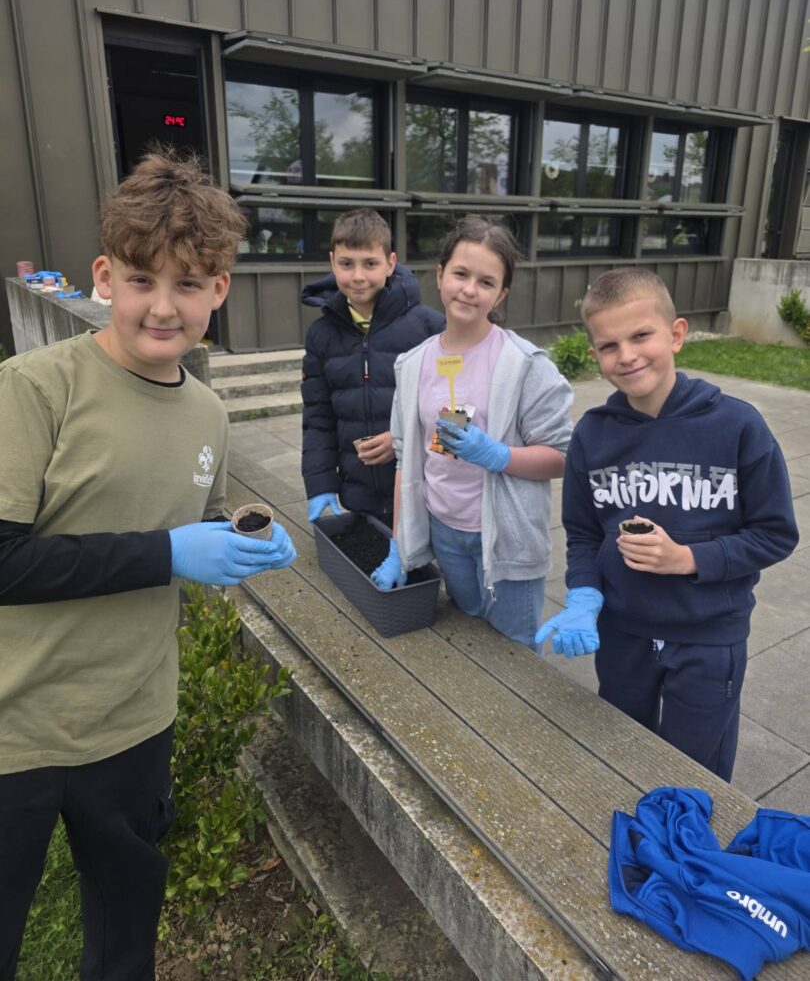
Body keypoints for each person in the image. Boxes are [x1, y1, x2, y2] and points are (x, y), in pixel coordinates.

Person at [0, 149, 297, 980]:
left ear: (219, 290)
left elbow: (191, 522)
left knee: (126, 937)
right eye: (142, 280)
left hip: (134, 719)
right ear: (105, 278)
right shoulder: (33, 388)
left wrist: (237, 540)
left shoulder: (208, 412)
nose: (164, 307)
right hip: (16, 726)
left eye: (189, 283)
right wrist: (167, 552)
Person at [536, 267, 799, 781]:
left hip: (708, 638)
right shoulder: (592, 434)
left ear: (676, 334)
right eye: (609, 346)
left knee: (694, 774)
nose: (627, 355)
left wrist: (688, 559)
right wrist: (584, 595)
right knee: (625, 757)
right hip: (622, 632)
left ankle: (693, 832)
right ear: (594, 355)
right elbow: (584, 532)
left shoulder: (737, 426)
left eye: (641, 336)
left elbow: (775, 533)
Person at [371, 217, 573, 649]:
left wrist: (499, 455)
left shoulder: (525, 365)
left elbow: (562, 456)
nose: (468, 289)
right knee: (469, 640)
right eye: (460, 274)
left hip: (506, 540)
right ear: (440, 275)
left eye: (486, 282)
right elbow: (405, 458)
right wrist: (399, 544)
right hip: (443, 531)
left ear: (501, 294)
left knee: (514, 650)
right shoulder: (412, 364)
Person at [301, 208, 444, 525]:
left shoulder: (431, 328)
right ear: (332, 262)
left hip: (424, 493)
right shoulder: (320, 335)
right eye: (346, 264)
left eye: (370, 263)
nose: (357, 276)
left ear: (390, 263)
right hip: (357, 495)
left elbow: (456, 411)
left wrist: (401, 441)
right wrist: (320, 483)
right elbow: (317, 417)